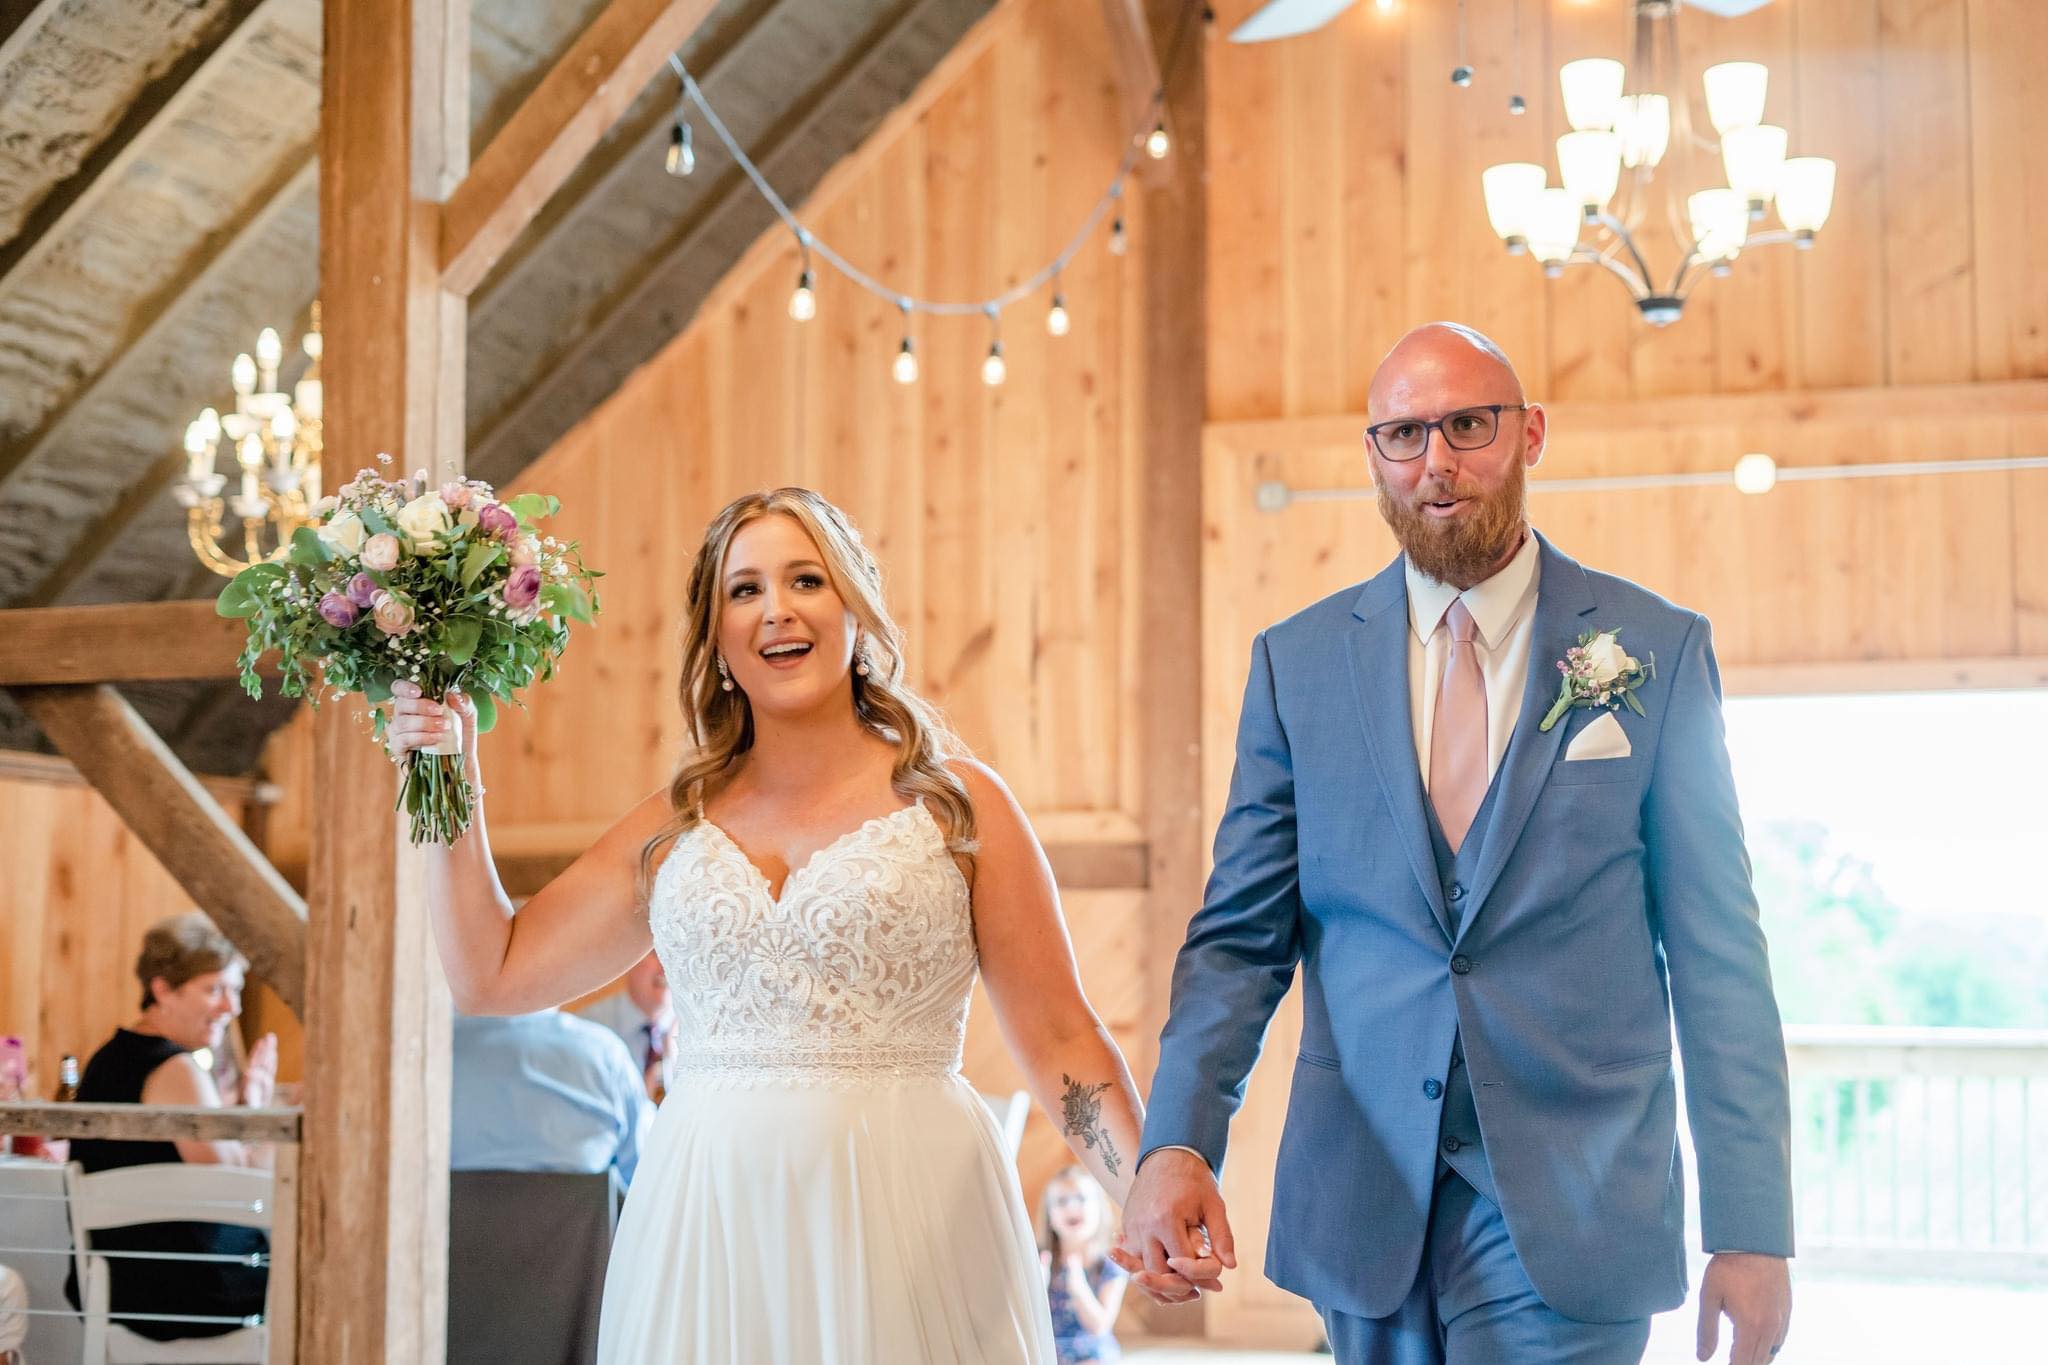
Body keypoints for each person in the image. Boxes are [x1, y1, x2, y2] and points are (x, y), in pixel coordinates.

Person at [1119, 323, 1795, 1365]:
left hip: (1578, 1204)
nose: (1434, 461)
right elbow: (1237, 943)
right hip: (1362, 1198)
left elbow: (1718, 959)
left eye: (1466, 426)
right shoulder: (1296, 666)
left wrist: (1749, 1228)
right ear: (1372, 458)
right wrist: (1174, 1140)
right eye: (1402, 434)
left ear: (1527, 435)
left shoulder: (1651, 650)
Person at [388, 486, 1146, 1364]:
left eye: (806, 580)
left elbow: (1061, 1033)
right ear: (715, 636)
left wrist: (1145, 1190)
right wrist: (447, 775)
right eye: (744, 590)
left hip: (908, 1213)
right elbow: (492, 973)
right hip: (709, 1220)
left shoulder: (958, 805)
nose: (776, 609)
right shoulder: (671, 827)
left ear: (855, 606)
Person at [68, 913, 277, 1342]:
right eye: (214, 988)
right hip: (183, 1290)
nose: (231, 1007)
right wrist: (256, 1111)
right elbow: (239, 1184)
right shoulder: (177, 1069)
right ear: (162, 989)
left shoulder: (108, 1057)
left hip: (117, 1281)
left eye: (235, 991)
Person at [451, 1008, 651, 1187]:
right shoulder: (606, 1056)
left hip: (448, 1226)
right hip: (581, 1226)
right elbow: (643, 1180)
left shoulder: (440, 1054)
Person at [1037, 1166, 1128, 1364]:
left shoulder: (1111, 1264)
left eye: (1082, 1199)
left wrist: (1078, 1287)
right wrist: (1037, 1287)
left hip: (1091, 1352)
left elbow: (1099, 1327)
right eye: (1061, 1201)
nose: (1071, 1207)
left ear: (1099, 1210)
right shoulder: (1040, 1260)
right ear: (1049, 1215)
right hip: (1046, 1349)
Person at [574, 951, 674, 1100]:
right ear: (629, 961)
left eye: (673, 952)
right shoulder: (587, 1029)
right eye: (656, 953)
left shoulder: (703, 1033)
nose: (666, 965)